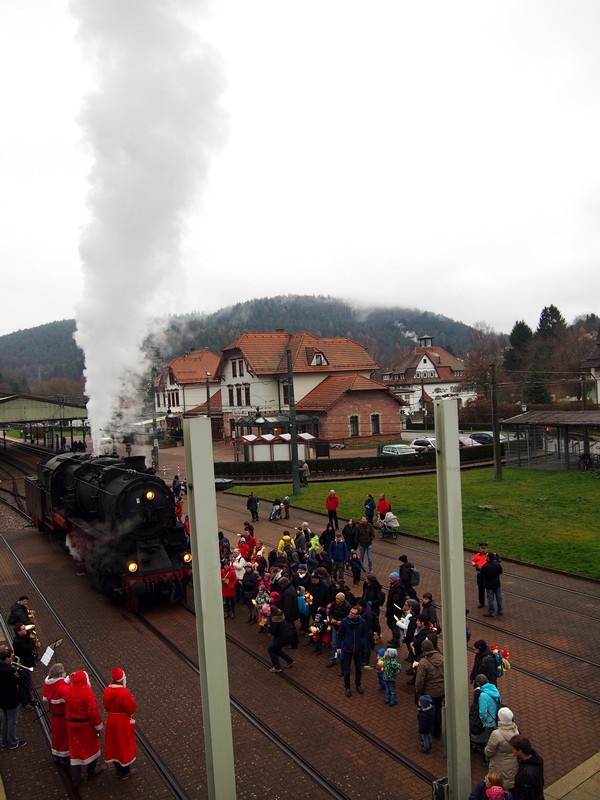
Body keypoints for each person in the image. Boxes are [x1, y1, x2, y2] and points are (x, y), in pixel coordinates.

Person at [61, 670, 104, 787]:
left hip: (71, 725)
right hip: (85, 726)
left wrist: (68, 679)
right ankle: (91, 772)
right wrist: (98, 726)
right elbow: (93, 712)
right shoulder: (88, 693)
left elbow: (60, 688)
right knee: (92, 748)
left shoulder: (67, 690)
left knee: (75, 751)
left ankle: (76, 779)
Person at [103, 667, 136, 780]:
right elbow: (131, 708)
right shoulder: (124, 693)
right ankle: (125, 771)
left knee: (114, 744)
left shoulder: (107, 690)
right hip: (122, 722)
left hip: (112, 720)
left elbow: (106, 706)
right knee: (124, 745)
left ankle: (117, 768)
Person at [414, 639, 444, 738]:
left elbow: (420, 680)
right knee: (438, 709)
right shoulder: (441, 657)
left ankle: (428, 731)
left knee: (428, 712)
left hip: (429, 691)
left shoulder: (423, 662)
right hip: (440, 690)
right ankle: (437, 730)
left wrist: (418, 692)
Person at [337, 606, 368, 697]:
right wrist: (339, 647)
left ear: (357, 615)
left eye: (353, 613)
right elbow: (340, 635)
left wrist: (362, 644)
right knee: (346, 670)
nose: (350, 614)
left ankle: (358, 685)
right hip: (347, 649)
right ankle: (347, 687)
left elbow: (364, 634)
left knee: (358, 669)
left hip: (358, 649)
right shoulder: (345, 622)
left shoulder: (362, 623)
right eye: (350, 612)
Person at [485, 707, 520, 789]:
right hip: (512, 765)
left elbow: (489, 751)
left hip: (498, 766)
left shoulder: (496, 734)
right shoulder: (516, 731)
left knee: (497, 787)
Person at [0, 645, 26, 750]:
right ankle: (13, 742)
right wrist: (21, 674)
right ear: (6, 658)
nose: (12, 659)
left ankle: (4, 740)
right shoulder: (7, 671)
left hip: (2, 699)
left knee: (5, 719)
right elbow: (17, 682)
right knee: (12, 720)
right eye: (11, 657)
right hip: (10, 699)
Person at [43, 663, 69, 764]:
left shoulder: (48, 683)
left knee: (56, 736)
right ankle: (64, 757)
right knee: (64, 737)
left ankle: (56, 755)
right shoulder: (61, 685)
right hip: (62, 716)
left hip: (54, 715)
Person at [510, 735, 544, 800]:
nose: (512, 750)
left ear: (520, 751)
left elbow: (526, 796)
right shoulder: (537, 759)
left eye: (514, 749)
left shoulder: (526, 774)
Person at [12, 622, 37, 709]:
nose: (25, 630)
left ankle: (30, 698)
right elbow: (28, 648)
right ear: (18, 632)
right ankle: (25, 703)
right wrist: (31, 640)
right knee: (23, 685)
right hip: (23, 666)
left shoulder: (25, 636)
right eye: (23, 629)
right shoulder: (17, 642)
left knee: (28, 683)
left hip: (28, 663)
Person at [326, 592, 351, 669]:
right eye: (336, 598)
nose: (336, 600)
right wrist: (332, 619)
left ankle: (343, 661)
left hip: (343, 629)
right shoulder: (334, 605)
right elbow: (330, 613)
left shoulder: (347, 606)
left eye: (338, 599)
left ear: (342, 600)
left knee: (342, 646)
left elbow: (349, 617)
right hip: (335, 627)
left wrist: (342, 621)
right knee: (334, 644)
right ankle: (332, 660)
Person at [267, 607, 295, 672]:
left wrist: (268, 627)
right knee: (276, 649)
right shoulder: (279, 617)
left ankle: (277, 667)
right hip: (286, 636)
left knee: (271, 649)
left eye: (269, 611)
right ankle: (290, 661)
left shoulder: (274, 620)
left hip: (282, 637)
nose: (267, 612)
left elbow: (273, 631)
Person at [479, 675, 502, 746]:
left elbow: (483, 712)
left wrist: (482, 720)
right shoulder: (494, 688)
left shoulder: (483, 695)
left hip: (489, 722)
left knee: (489, 742)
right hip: (496, 719)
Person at [481, 552, 504, 617]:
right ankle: (500, 610)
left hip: (489, 584)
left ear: (488, 558)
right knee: (499, 597)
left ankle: (491, 612)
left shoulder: (486, 566)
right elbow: (500, 572)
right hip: (496, 583)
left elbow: (482, 573)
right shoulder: (497, 564)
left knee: (490, 598)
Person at [385, 572, 404, 647]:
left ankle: (396, 641)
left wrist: (391, 607)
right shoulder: (393, 586)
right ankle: (394, 638)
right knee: (389, 623)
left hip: (395, 611)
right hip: (391, 609)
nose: (389, 579)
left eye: (391, 578)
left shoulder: (398, 588)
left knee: (394, 625)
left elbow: (396, 600)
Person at [471, 542, 489, 608]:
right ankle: (481, 602)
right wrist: (474, 564)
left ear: (487, 549)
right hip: (480, 575)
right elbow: (473, 560)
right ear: (480, 549)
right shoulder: (477, 555)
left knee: (489, 590)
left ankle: (490, 602)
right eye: (482, 548)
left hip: (487, 575)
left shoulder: (488, 556)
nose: (483, 550)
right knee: (480, 589)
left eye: (485, 548)